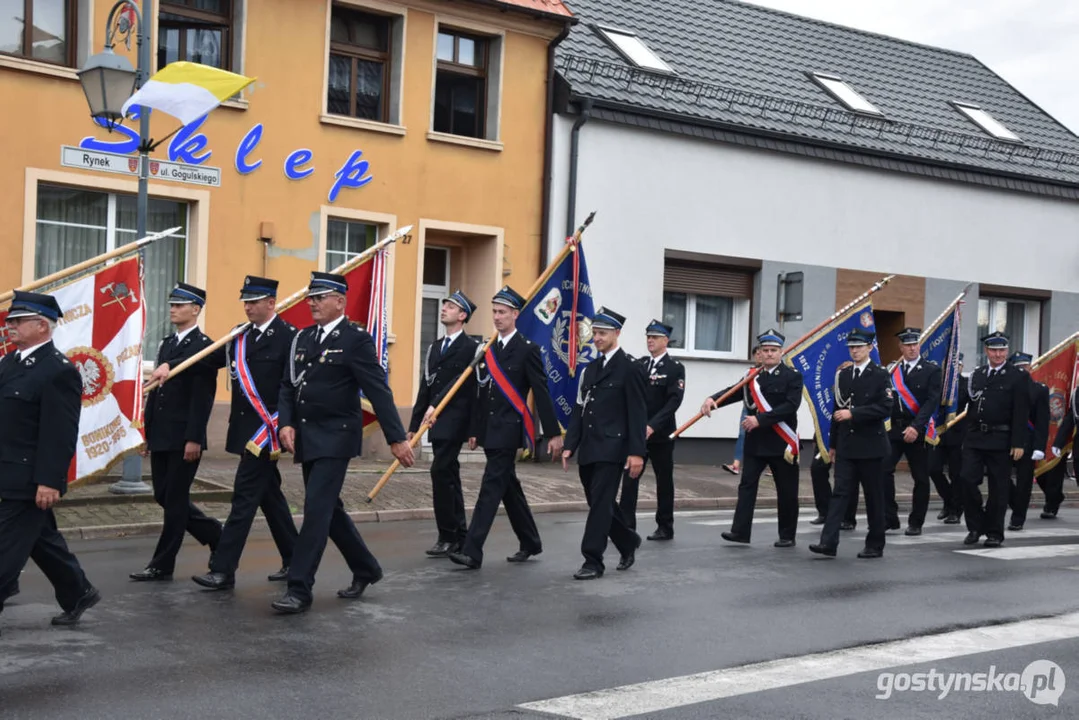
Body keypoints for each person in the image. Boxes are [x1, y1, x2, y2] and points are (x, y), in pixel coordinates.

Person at [272, 271, 415, 613]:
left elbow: (378, 389)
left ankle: (299, 588)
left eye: (320, 298)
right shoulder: (303, 338)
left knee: (316, 510)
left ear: (340, 301)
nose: (313, 304)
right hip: (307, 436)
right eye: (311, 298)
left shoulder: (355, 339)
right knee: (328, 510)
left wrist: (396, 438)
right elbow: (289, 386)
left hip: (336, 437)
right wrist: (286, 423)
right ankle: (366, 567)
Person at [191, 276, 300, 590]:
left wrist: (283, 424)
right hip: (245, 430)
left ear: (271, 303)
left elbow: (289, 387)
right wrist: (170, 365)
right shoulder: (240, 335)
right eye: (245, 302)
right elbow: (209, 358)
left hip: (267, 433)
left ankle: (223, 569)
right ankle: (294, 557)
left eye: (254, 302)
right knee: (270, 498)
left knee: (243, 498)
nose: (248, 307)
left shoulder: (289, 337)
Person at [0, 292, 100, 633]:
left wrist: (49, 480)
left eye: (17, 321)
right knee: (42, 541)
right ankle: (78, 592)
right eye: (10, 320)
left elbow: (59, 433)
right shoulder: (10, 362)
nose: (9, 326)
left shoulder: (59, 371)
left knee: (5, 548)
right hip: (6, 469)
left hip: (28, 478)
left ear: (41, 326)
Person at [447, 286, 563, 570]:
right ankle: (530, 541)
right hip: (490, 428)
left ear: (515, 314)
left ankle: (472, 551)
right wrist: (475, 429)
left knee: (490, 488)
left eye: (502, 312)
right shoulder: (488, 348)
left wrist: (552, 433)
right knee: (508, 487)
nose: (497, 317)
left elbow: (542, 392)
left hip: (509, 430)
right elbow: (481, 392)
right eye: (494, 312)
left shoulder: (528, 350)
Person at [131, 283, 221, 582]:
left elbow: (202, 397)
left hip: (185, 436)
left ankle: (162, 564)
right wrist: (146, 432)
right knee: (164, 495)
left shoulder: (204, 347)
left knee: (175, 499)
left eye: (180, 305)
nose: (173, 309)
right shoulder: (167, 344)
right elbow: (158, 392)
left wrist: (194, 437)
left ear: (195, 309)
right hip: (162, 434)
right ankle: (215, 534)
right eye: (171, 304)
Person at [562, 308, 646, 579]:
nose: (596, 338)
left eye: (602, 333)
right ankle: (627, 540)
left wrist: (636, 452)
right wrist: (570, 444)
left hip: (613, 449)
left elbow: (637, 413)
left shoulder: (630, 368)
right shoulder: (590, 369)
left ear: (617, 334)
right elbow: (579, 409)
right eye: (595, 333)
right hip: (589, 448)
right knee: (599, 503)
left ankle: (592, 560)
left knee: (600, 504)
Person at [703, 329, 803, 547]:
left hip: (781, 443)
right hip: (756, 443)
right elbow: (735, 392)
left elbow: (790, 406)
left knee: (786, 490)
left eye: (773, 350)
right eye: (765, 350)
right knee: (747, 486)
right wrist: (713, 399)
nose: (768, 354)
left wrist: (760, 420)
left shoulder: (792, 376)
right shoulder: (752, 376)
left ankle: (787, 535)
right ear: (760, 352)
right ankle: (740, 531)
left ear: (781, 352)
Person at [810, 328, 892, 559]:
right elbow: (837, 411)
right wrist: (833, 444)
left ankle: (875, 544)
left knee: (874, 497)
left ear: (869, 348)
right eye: (851, 347)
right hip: (846, 446)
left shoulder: (879, 374)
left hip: (871, 446)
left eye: (859, 347)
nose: (854, 351)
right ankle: (828, 543)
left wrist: (854, 413)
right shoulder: (843, 376)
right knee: (840, 494)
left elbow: (885, 408)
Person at [408, 290, 478, 557]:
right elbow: (425, 386)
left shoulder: (471, 348)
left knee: (440, 471)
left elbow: (472, 391)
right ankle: (456, 533)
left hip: (455, 419)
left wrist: (474, 429)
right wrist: (414, 423)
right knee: (447, 476)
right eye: (445, 304)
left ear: (462, 316)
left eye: (450, 306)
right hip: (434, 420)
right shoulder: (435, 347)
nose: (444, 308)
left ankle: (449, 534)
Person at [959, 331, 1029, 548]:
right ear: (986, 351)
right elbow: (967, 404)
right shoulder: (977, 375)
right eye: (993, 350)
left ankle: (994, 532)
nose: (998, 354)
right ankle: (975, 524)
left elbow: (1021, 412)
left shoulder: (1018, 376)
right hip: (975, 438)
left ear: (1006, 351)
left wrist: (1018, 442)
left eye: (1001, 350)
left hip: (1001, 438)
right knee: (965, 480)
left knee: (999, 489)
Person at [618, 319, 684, 541]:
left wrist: (652, 426)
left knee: (663, 480)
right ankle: (626, 526)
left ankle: (665, 526)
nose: (650, 341)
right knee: (630, 478)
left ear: (665, 341)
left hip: (662, 435)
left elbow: (673, 402)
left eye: (655, 337)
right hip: (638, 434)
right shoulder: (641, 365)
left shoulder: (675, 368)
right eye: (648, 337)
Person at [882, 328, 941, 536]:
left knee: (921, 478)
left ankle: (916, 521)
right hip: (895, 428)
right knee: (883, 471)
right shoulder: (892, 370)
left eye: (915, 344)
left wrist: (916, 427)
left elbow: (931, 401)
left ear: (919, 345)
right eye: (907, 345)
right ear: (901, 347)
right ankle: (890, 518)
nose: (912, 348)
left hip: (919, 429)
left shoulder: (931, 370)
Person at [1007, 352, 1048, 531]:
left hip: (1028, 442)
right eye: (1018, 368)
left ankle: (1018, 517)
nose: (1022, 371)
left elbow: (1042, 421)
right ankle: (1016, 503)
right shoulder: (1005, 387)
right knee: (1000, 478)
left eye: (1024, 367)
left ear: (1030, 368)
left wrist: (1039, 446)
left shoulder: (1039, 389)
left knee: (1024, 482)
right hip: (1006, 440)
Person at [928, 354, 968, 524]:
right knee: (933, 469)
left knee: (956, 473)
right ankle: (948, 499)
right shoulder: (938, 383)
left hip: (957, 434)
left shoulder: (965, 384)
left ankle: (956, 509)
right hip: (939, 434)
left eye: (956, 365)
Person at [723, 345, 761, 475]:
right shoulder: (749, 373)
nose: (759, 355)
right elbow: (736, 389)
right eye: (756, 353)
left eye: (761, 352)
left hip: (764, 410)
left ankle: (772, 466)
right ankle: (736, 465)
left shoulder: (770, 372)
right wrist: (715, 399)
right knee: (743, 435)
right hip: (748, 408)